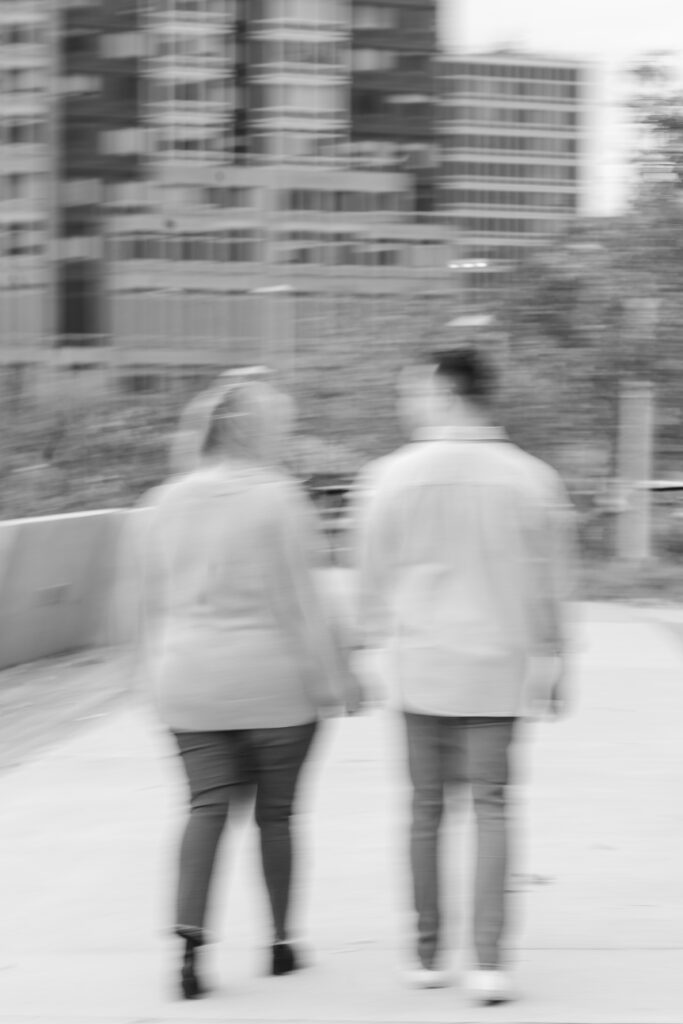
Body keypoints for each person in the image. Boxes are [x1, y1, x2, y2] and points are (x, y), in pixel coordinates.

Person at [123, 374, 361, 999]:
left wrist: (147, 678)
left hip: (189, 685)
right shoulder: (280, 498)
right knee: (276, 816)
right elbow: (306, 602)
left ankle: (189, 950)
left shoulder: (160, 502)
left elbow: (143, 606)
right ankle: (281, 944)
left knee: (205, 808)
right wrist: (339, 676)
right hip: (276, 686)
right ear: (255, 431)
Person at [354, 346, 575, 1005]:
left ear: (446, 392)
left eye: (412, 393)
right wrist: (556, 659)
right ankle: (489, 963)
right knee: (493, 805)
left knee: (424, 810)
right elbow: (552, 585)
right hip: (497, 669)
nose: (406, 407)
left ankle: (426, 955)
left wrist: (363, 649)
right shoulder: (531, 479)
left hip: (421, 667)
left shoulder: (388, 477)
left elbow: (369, 581)